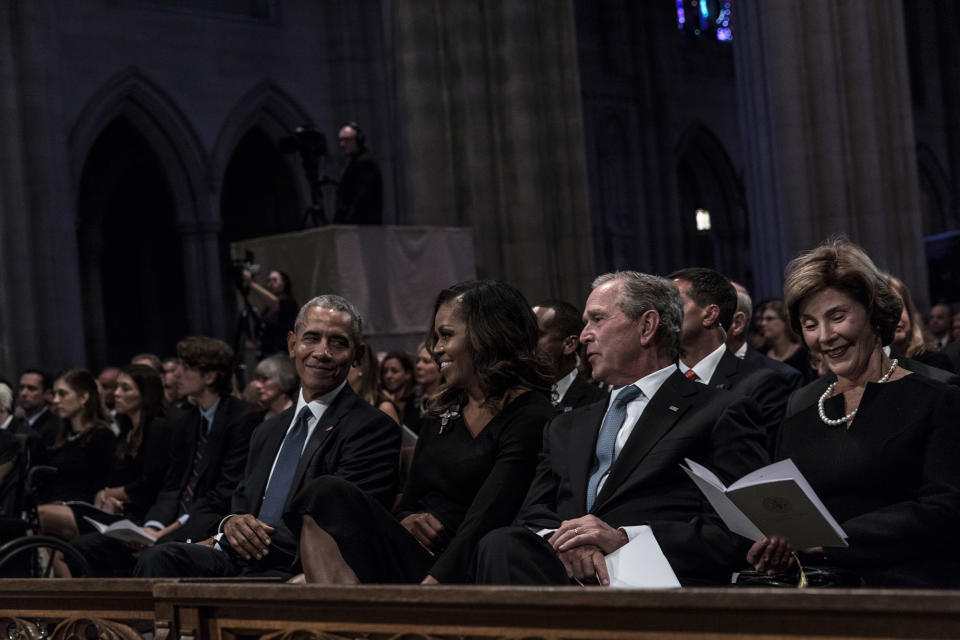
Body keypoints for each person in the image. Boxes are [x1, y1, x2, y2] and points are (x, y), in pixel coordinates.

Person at [475, 271, 768, 586]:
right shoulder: (565, 426)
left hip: (655, 581)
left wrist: (625, 538)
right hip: (560, 574)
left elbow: (742, 528)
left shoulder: (719, 411)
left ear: (646, 326)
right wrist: (573, 543)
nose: (584, 335)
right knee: (500, 543)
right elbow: (534, 515)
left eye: (597, 320)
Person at [286, 280, 555, 584]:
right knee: (325, 494)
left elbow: (489, 517)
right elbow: (410, 502)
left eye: (446, 336)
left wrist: (430, 591)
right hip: (416, 556)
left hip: (469, 567)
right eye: (436, 337)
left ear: (488, 337)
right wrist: (406, 521)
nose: (436, 348)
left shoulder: (530, 414)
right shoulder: (442, 411)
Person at [133, 295, 401, 579]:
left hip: (302, 566)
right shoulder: (267, 430)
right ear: (292, 345)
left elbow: (342, 526)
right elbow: (238, 505)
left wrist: (224, 542)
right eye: (312, 338)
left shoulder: (372, 428)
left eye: (338, 342)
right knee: (160, 559)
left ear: (357, 356)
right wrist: (230, 523)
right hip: (243, 559)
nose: (322, 352)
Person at [747, 238, 960, 588]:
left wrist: (837, 539)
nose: (825, 336)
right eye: (810, 323)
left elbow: (945, 509)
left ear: (875, 315)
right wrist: (776, 540)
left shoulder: (937, 396)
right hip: (816, 591)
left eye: (837, 316)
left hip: (908, 588)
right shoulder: (800, 403)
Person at [670, 268, 792, 454]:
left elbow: (765, 464)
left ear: (710, 315)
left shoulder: (761, 385)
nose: (662, 315)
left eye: (674, 304)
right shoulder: (660, 379)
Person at [36, 370, 116, 505]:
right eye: (55, 394)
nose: (55, 400)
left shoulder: (101, 436)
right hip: (55, 507)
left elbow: (100, 486)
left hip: (84, 510)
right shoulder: (60, 435)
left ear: (83, 398)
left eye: (63, 394)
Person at [532, 300, 607, 412]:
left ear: (569, 344)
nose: (526, 343)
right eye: (524, 335)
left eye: (536, 335)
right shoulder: (519, 399)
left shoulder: (600, 402)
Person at [887, 275, 956, 373]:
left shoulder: (934, 361)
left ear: (910, 312)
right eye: (886, 310)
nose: (895, 316)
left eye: (898, 307)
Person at [243, 269, 299, 359]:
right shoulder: (267, 309)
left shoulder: (290, 304)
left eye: (275, 280)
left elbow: (276, 303)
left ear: (284, 283)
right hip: (267, 355)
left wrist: (251, 283)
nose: (271, 283)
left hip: (282, 356)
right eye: (269, 280)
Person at [333, 122, 382, 225]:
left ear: (358, 141)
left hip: (361, 228)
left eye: (346, 140)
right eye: (341, 140)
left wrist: (347, 221)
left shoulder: (365, 163)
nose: (342, 145)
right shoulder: (356, 162)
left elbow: (362, 198)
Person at [760, 300, 814, 382]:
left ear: (784, 321)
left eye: (769, 319)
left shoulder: (803, 354)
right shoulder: (761, 354)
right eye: (762, 319)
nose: (763, 323)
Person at [17, 369, 61, 447]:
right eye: (21, 388)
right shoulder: (17, 422)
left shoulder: (55, 426)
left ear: (47, 394)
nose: (23, 393)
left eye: (31, 388)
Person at [405, 343, 442, 435]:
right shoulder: (413, 399)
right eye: (417, 361)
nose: (418, 366)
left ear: (441, 366)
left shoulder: (450, 400)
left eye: (426, 361)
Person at [250, 354, 299, 420]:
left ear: (283, 380)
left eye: (265, 379)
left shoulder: (298, 414)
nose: (258, 385)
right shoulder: (256, 416)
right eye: (258, 379)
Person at [379, 350, 416, 425]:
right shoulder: (380, 399)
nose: (388, 376)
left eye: (394, 371)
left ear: (407, 374)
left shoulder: (416, 404)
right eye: (385, 371)